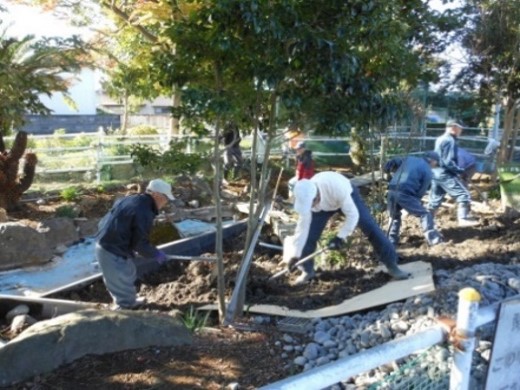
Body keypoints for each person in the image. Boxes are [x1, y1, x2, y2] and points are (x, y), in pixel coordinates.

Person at [284, 171, 410, 285]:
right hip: (324, 208)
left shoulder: (337, 188)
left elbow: (353, 216)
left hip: (346, 196)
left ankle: (392, 265)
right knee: (309, 237)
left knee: (369, 226)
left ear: (316, 195)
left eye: (312, 202)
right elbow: (301, 230)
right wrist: (295, 255)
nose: (311, 206)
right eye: (308, 204)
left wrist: (340, 237)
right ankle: (307, 271)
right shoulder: (306, 200)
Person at [95, 179, 174, 310]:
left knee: (128, 272)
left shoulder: (134, 199)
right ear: (157, 195)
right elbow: (140, 243)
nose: (166, 203)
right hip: (110, 247)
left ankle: (130, 301)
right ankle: (125, 309)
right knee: (119, 278)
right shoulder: (144, 211)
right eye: (166, 199)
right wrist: (156, 254)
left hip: (112, 241)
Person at [384, 152, 443, 247]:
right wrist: (416, 202)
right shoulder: (428, 171)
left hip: (391, 191)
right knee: (425, 214)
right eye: (436, 163)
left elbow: (396, 161)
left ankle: (391, 242)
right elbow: (421, 191)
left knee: (394, 217)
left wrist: (390, 165)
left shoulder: (409, 159)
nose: (435, 166)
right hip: (405, 193)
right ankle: (434, 239)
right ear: (432, 161)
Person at [428, 121, 479, 227]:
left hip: (436, 172)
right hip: (445, 173)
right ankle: (463, 219)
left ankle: (429, 222)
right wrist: (460, 171)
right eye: (460, 129)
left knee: (435, 198)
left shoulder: (439, 139)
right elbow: (448, 161)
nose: (461, 131)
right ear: (454, 128)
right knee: (463, 195)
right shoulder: (449, 140)